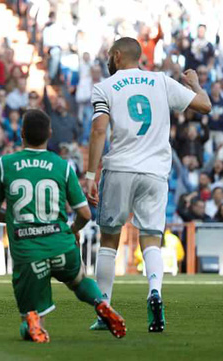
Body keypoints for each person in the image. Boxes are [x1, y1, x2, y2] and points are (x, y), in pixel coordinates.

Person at [85, 37, 212, 332]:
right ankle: (155, 292)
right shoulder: (161, 81)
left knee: (109, 240)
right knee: (152, 238)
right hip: (155, 171)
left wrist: (91, 175)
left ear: (117, 56)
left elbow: (99, 128)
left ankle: (105, 309)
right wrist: (194, 83)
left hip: (119, 169)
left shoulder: (105, 87)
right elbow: (205, 105)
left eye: (108, 55)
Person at [0, 109, 126, 343]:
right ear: (50, 133)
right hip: (61, 244)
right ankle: (101, 303)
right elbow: (84, 213)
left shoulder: (5, 164)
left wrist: (14, 217)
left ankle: (33, 322)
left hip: (27, 252)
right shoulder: (62, 166)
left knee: (28, 322)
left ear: (21, 134)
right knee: (78, 281)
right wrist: (72, 231)